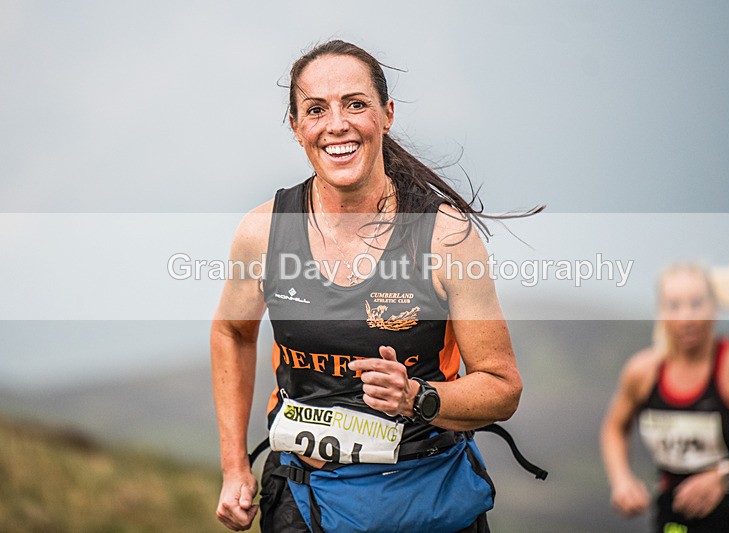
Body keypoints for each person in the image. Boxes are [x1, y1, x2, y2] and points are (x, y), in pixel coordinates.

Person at [211, 40, 538, 532]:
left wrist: (419, 397)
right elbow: (232, 332)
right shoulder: (263, 231)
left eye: (355, 104)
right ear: (297, 127)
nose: (336, 124)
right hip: (304, 499)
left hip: (424, 500)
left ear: (387, 115)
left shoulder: (444, 236)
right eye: (316, 110)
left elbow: (502, 388)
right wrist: (234, 466)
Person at [601, 263, 729, 532]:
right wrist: (621, 480)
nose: (686, 318)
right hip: (676, 519)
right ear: (660, 311)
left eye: (696, 304)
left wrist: (725, 477)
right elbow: (614, 427)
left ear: (714, 308)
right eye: (674, 306)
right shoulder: (642, 372)